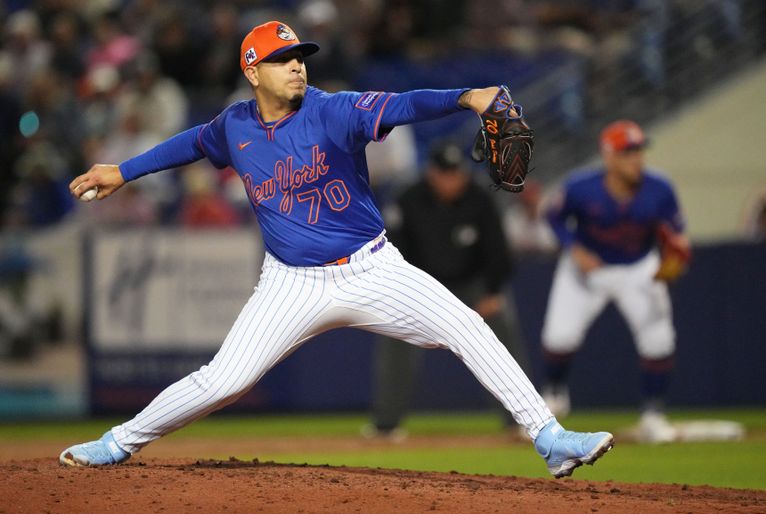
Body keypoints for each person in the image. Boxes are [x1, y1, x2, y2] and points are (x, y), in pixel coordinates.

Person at [61, 20, 613, 478]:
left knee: (467, 327)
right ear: (252, 72)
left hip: (372, 268)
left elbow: (404, 104)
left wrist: (469, 97)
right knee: (223, 381)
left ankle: (551, 438)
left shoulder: (333, 110)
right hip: (290, 282)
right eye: (282, 58)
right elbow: (192, 143)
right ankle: (118, 442)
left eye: (300, 55)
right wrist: (124, 170)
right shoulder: (234, 125)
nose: (297, 65)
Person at [365, 142, 531, 440]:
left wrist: (492, 291)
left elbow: (497, 250)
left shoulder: (479, 197)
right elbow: (392, 249)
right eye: (445, 173)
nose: (451, 180)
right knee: (395, 341)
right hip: (420, 285)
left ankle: (522, 421)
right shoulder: (409, 198)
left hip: (471, 284)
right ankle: (386, 424)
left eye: (456, 173)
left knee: (500, 340)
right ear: (432, 173)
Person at [540, 119, 689, 443]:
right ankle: (554, 394)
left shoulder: (659, 188)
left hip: (639, 267)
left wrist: (674, 257)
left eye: (638, 151)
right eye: (627, 152)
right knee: (559, 338)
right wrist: (573, 248)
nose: (636, 158)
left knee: (659, 341)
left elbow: (676, 236)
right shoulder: (582, 186)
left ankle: (653, 414)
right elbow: (552, 216)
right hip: (587, 267)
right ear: (608, 157)